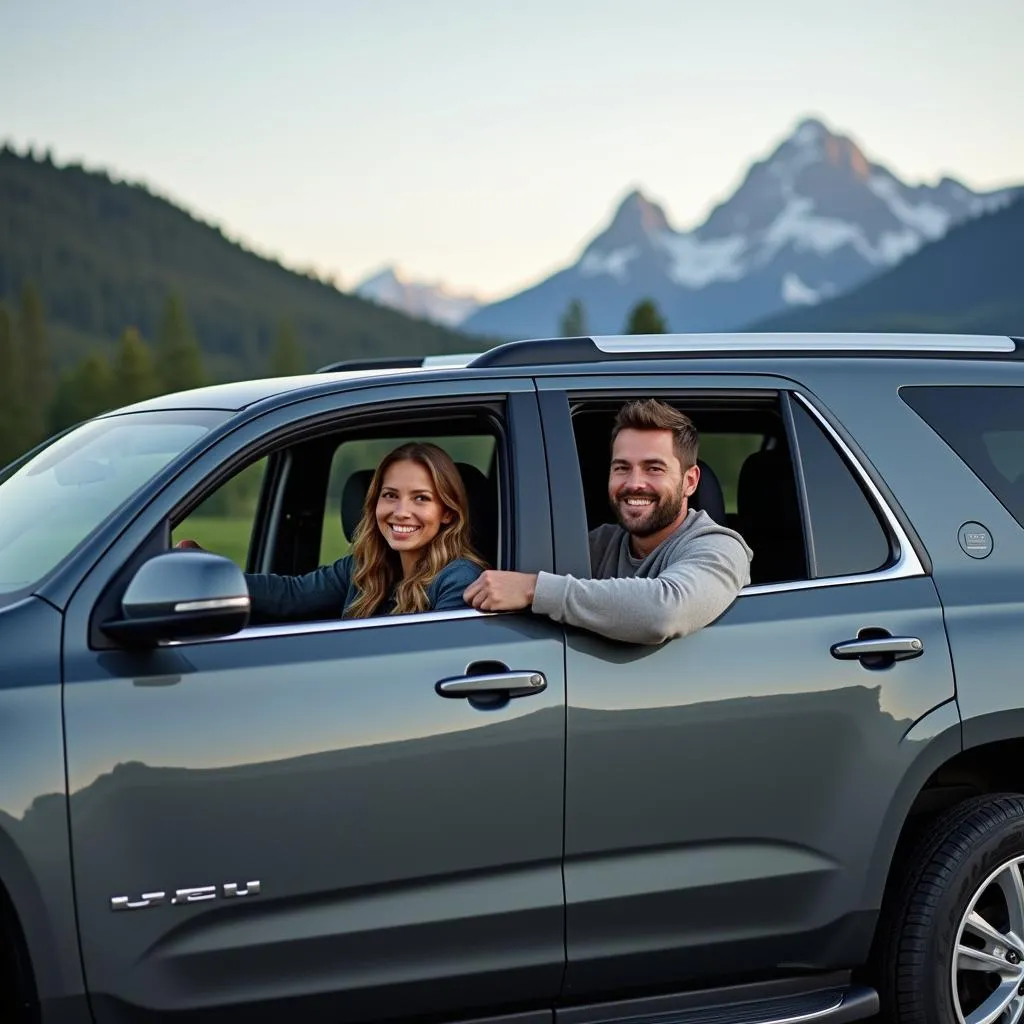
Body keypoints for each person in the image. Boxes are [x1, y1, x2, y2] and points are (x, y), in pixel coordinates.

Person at [463, 399, 752, 644]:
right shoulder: (600, 543)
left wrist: (533, 589)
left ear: (690, 482)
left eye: (654, 468)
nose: (634, 483)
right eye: (622, 468)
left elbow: (663, 613)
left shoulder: (720, 548)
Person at [178, 442, 486, 622]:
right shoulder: (364, 568)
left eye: (421, 498)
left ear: (447, 512)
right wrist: (206, 571)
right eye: (390, 495)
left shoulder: (459, 578)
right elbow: (290, 595)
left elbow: (440, 664)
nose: (400, 511)